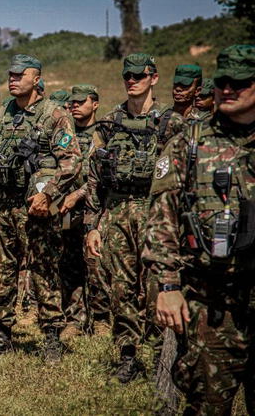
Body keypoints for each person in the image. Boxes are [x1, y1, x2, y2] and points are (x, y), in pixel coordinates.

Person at [144, 44, 255, 414]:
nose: (227, 89)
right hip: (212, 303)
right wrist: (169, 285)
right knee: (206, 403)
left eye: (238, 82)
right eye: (222, 81)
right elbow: (161, 219)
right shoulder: (189, 143)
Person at [85, 53, 186, 383]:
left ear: (153, 78)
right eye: (127, 75)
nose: (132, 80)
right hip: (116, 212)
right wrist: (93, 225)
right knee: (121, 289)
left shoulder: (172, 123)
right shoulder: (110, 121)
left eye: (139, 76)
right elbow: (94, 177)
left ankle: (162, 355)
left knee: (158, 286)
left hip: (157, 213)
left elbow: (183, 177)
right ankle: (127, 355)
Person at [0, 54, 81, 363]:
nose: (13, 79)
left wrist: (48, 195)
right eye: (10, 74)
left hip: (36, 207)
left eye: (20, 75)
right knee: (2, 272)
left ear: (36, 79)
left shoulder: (54, 115)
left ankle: (51, 335)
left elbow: (72, 162)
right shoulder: (2, 115)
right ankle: (1, 335)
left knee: (43, 270)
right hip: (4, 206)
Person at [60, 84, 101, 339]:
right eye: (72, 102)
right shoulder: (66, 133)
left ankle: (101, 320)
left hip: (94, 208)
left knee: (95, 265)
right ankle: (74, 319)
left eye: (80, 102)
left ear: (94, 104)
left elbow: (102, 176)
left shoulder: (104, 133)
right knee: (70, 264)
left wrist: (79, 193)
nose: (74, 106)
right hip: (67, 210)